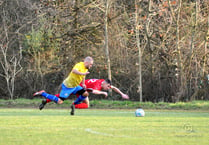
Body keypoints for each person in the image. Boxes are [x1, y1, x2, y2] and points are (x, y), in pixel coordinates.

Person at [38, 79, 129, 110]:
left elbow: (114, 88)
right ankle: (74, 105)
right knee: (86, 105)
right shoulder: (98, 85)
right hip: (79, 88)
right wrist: (103, 92)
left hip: (79, 88)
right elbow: (94, 91)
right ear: (105, 83)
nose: (108, 88)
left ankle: (46, 100)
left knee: (61, 97)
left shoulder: (102, 82)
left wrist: (122, 94)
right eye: (108, 87)